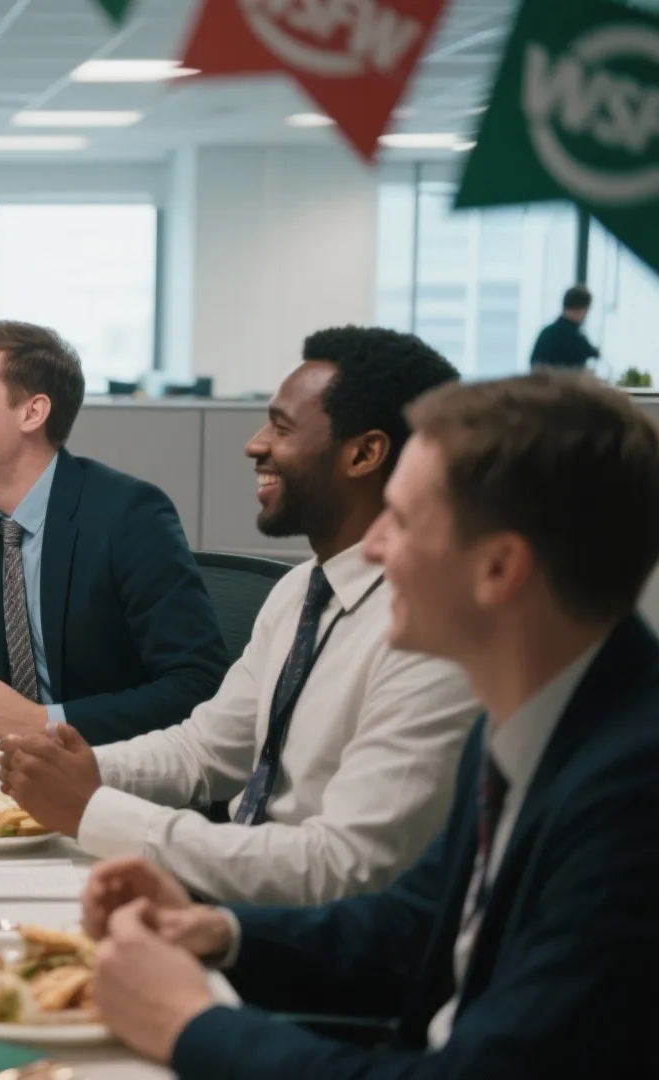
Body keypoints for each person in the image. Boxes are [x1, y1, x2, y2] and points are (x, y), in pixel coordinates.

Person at [81, 372, 659, 1079]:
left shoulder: (632, 797)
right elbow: (417, 925)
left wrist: (189, 1025)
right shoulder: (536, 715)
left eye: (404, 521)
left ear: (499, 568)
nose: (375, 547)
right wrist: (221, 932)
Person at [0, 327, 480, 904]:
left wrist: (96, 810)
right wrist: (73, 768)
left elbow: (343, 867)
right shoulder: (302, 587)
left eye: (280, 427)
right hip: (231, 887)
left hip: (310, 936)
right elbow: (206, 751)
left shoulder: (429, 634)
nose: (254, 445)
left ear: (363, 453)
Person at [0, 321, 227, 745]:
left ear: (33, 412)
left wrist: (44, 721)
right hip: (3, 781)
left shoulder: (128, 514)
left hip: (117, 778)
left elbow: (198, 686)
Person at [526, 284, 599, 370]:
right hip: (566, 382)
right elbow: (594, 354)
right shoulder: (575, 336)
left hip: (540, 382)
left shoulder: (547, 332)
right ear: (582, 310)